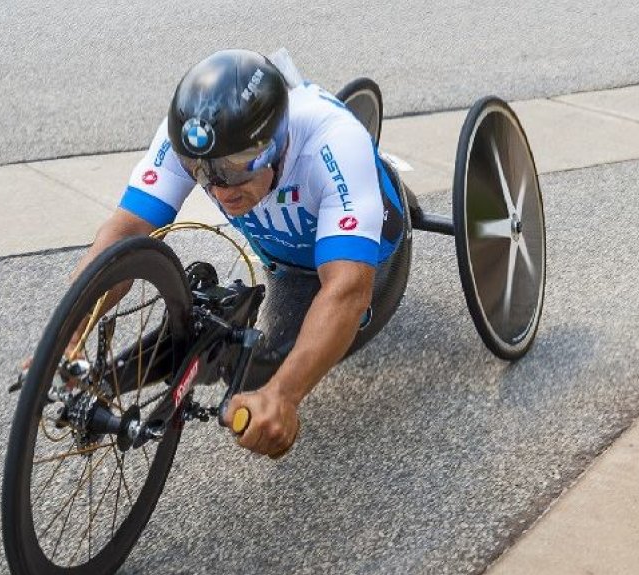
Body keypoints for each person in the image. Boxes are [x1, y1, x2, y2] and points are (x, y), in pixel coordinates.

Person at [72, 48, 411, 459]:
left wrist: (283, 396)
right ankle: (103, 380)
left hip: (376, 263)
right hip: (285, 263)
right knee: (213, 334)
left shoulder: (334, 143)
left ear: (277, 143)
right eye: (201, 171)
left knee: (257, 370)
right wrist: (69, 329)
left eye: (237, 166)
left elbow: (347, 291)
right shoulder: (190, 139)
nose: (220, 188)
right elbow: (125, 233)